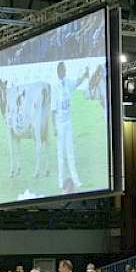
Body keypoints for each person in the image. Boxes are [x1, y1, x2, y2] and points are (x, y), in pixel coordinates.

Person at [53, 61, 88, 192]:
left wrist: (84, 76)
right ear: (58, 72)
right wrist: (54, 127)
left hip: (68, 122)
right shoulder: (55, 87)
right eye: (61, 70)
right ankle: (61, 181)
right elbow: (53, 109)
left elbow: (77, 83)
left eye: (64, 70)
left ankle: (76, 180)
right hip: (59, 123)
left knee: (70, 151)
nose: (63, 72)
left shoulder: (68, 83)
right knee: (60, 154)